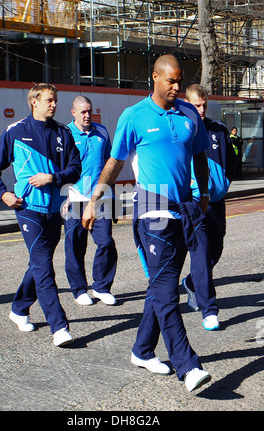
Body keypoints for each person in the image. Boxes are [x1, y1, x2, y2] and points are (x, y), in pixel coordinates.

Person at [82, 54, 212, 392]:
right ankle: (188, 365)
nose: (176, 86)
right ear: (154, 78)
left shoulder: (187, 115)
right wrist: (94, 199)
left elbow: (199, 156)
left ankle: (141, 350)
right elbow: (114, 163)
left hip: (184, 210)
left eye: (179, 80)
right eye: (170, 80)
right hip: (151, 210)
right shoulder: (134, 116)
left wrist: (204, 196)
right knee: (167, 290)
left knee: (160, 287)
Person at [0, 83, 81, 347]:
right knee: (44, 265)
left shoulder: (63, 132)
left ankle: (18, 308)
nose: (54, 104)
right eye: (49, 100)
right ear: (34, 102)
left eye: (55, 100)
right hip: (27, 209)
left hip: (55, 209)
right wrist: (2, 193)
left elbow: (75, 169)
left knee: (39, 263)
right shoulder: (16, 131)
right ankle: (59, 326)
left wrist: (54, 177)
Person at [183, 84, 237, 330]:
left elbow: (231, 161)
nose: (201, 109)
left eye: (204, 104)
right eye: (196, 105)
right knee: (202, 253)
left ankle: (193, 282)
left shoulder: (219, 129)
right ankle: (209, 309)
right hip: (194, 201)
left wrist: (224, 183)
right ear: (187, 104)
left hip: (216, 200)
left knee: (216, 248)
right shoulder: (183, 131)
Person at [63, 96, 117, 306]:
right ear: (73, 113)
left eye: (89, 111)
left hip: (101, 198)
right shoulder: (65, 133)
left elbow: (109, 164)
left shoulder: (101, 132)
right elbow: (59, 167)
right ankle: (79, 290)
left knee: (105, 243)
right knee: (75, 246)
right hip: (74, 197)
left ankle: (101, 287)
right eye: (83, 112)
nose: (87, 115)